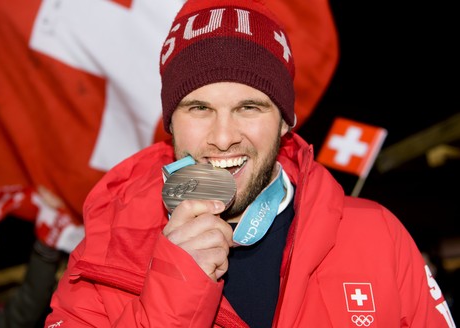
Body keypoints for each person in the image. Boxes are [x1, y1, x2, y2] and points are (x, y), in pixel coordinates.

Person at [44, 0, 456, 327]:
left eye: (249, 107)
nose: (223, 137)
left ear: (284, 123)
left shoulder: (377, 235)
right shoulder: (102, 257)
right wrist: (174, 294)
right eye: (199, 108)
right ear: (171, 123)